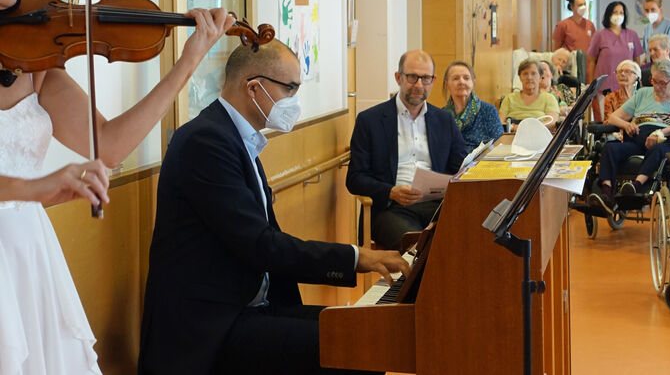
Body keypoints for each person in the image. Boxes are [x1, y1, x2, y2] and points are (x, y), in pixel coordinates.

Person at [0, 0, 234, 374]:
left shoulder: (32, 56)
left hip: (27, 256)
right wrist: (41, 187)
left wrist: (187, 62)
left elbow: (107, 145)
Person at [139, 41, 408, 374]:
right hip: (210, 325)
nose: (295, 101)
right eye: (290, 88)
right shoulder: (205, 142)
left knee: (363, 332)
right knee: (358, 344)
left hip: (252, 307)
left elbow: (267, 238)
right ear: (254, 88)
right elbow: (260, 245)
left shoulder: (237, 138)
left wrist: (354, 259)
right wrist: (356, 257)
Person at [346, 50, 467, 251]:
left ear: (434, 80)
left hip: (437, 206)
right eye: (412, 77)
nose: (419, 85)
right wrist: (391, 192)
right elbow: (355, 178)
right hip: (391, 209)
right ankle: (418, 283)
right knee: (419, 246)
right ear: (398, 77)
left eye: (425, 78)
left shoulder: (444, 120)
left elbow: (461, 167)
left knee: (470, 234)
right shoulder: (370, 121)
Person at [590, 59, 670, 212]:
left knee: (659, 150)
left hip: (664, 140)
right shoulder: (643, 93)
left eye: (662, 83)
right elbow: (612, 117)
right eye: (654, 81)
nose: (656, 87)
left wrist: (660, 133)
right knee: (610, 148)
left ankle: (635, 187)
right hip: (637, 139)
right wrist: (627, 124)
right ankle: (606, 194)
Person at [586, 1, 643, 121]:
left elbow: (637, 61)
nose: (618, 15)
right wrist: (592, 86)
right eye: (615, 12)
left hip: (628, 88)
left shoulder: (632, 35)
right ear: (608, 14)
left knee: (628, 120)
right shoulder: (600, 35)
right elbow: (591, 61)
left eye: (621, 12)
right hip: (605, 87)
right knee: (605, 120)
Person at [442, 60, 503, 152]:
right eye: (455, 78)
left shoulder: (488, 111)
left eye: (466, 78)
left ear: (473, 82)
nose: (461, 82)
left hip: (482, 164)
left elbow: (499, 146)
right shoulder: (442, 115)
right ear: (447, 84)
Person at [499, 59, 559, 132]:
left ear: (540, 77)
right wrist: (514, 127)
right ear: (520, 77)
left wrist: (528, 129)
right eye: (525, 74)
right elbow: (499, 122)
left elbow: (552, 122)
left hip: (539, 135)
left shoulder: (549, 98)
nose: (529, 77)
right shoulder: (509, 98)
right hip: (512, 136)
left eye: (533, 74)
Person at [602, 60, 641, 141]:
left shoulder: (641, 97)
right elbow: (607, 122)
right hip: (616, 136)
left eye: (627, 71)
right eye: (620, 72)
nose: (622, 74)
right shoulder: (611, 97)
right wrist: (616, 135)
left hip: (639, 135)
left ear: (636, 77)